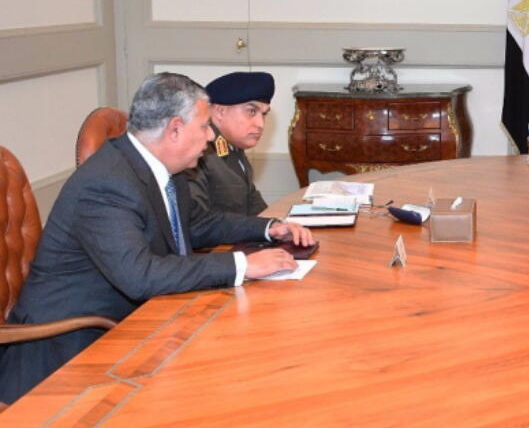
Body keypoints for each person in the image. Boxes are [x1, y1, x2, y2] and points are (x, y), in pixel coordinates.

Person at [0, 73, 314, 404]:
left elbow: (197, 225)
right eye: (205, 126)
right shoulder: (107, 184)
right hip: (71, 351)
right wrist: (243, 265)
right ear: (175, 129)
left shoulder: (163, 169)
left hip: (136, 327)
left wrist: (267, 229)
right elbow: (141, 276)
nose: (210, 137)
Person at [185, 70, 275, 217]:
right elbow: (197, 222)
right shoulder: (199, 153)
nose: (260, 124)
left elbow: (254, 205)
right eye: (251, 111)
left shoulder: (233, 148)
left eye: (264, 114)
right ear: (220, 111)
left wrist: (278, 226)